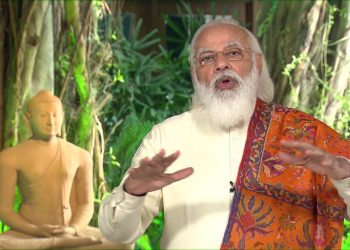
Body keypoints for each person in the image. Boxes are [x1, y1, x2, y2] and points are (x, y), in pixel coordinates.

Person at [98, 19, 350, 249]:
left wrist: (344, 177)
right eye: (206, 58)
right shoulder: (167, 136)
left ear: (257, 63)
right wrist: (133, 192)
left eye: (233, 52)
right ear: (195, 73)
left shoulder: (305, 135)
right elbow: (117, 234)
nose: (221, 64)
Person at [0, 90, 130, 249]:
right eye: (43, 115)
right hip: (30, 235)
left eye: (55, 115)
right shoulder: (10, 157)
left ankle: (62, 242)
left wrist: (73, 229)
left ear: (62, 116)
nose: (50, 121)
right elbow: (4, 209)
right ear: (28, 119)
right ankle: (56, 243)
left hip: (70, 231)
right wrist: (35, 230)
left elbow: (86, 203)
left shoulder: (81, 156)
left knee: (124, 242)